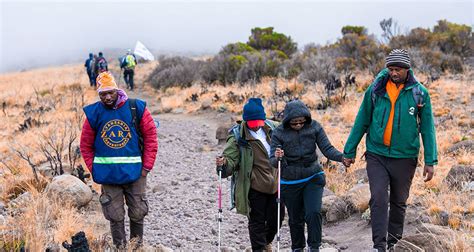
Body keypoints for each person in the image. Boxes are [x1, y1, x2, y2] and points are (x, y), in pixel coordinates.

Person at [343, 49, 437, 251]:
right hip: (377, 154)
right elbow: (362, 120)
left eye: (398, 70)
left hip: (405, 157)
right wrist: (349, 151)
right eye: (391, 69)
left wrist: (430, 161)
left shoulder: (419, 93)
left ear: (407, 70)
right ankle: (379, 246)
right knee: (378, 198)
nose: (394, 73)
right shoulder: (376, 90)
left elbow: (428, 128)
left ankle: (395, 243)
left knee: (399, 202)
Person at [79, 71, 158, 249]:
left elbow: (151, 136)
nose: (107, 97)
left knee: (138, 212)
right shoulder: (94, 113)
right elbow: (85, 145)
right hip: (108, 176)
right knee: (115, 215)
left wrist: (146, 167)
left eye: (111, 92)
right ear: (98, 94)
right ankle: (120, 248)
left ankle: (136, 248)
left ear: (117, 90)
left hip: (136, 173)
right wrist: (95, 169)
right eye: (103, 94)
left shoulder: (135, 108)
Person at [270, 100, 348, 252]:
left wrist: (342, 158)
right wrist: (278, 156)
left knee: (313, 213)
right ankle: (298, 248)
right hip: (290, 181)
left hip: (313, 176)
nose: (299, 125)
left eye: (301, 122)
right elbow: (273, 162)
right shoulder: (278, 133)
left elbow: (327, 149)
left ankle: (314, 247)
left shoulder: (315, 127)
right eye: (294, 123)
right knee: (295, 219)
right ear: (287, 121)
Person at [215, 97, 284, 252]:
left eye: (258, 121)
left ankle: (265, 242)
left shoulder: (274, 129)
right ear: (246, 121)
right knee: (257, 222)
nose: (255, 125)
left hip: (276, 183)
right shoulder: (238, 136)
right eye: (251, 122)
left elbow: (288, 145)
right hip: (254, 185)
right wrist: (224, 164)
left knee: (277, 218)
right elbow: (230, 160)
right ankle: (259, 248)